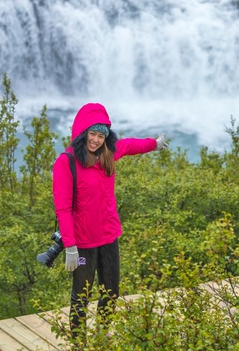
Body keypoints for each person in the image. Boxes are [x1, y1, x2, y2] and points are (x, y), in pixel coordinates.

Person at [51, 102, 168, 341]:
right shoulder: (67, 162)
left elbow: (129, 145)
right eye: (92, 134)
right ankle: (79, 342)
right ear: (82, 133)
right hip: (83, 241)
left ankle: (102, 337)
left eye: (101, 135)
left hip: (108, 236)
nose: (95, 140)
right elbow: (62, 208)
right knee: (81, 295)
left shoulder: (108, 153)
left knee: (111, 291)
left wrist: (154, 144)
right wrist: (71, 247)